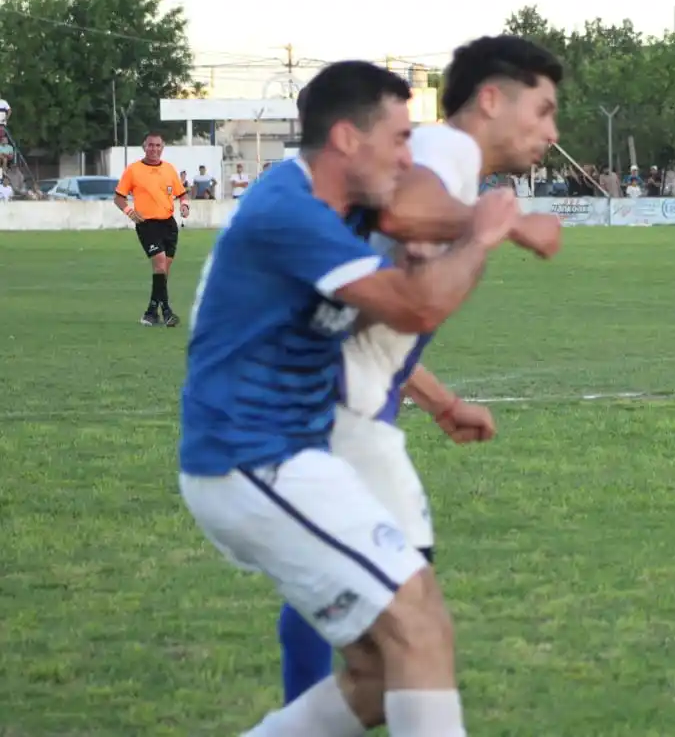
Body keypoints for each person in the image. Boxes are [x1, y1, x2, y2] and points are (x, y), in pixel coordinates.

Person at [178, 59, 523, 737]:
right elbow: (417, 308)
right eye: (398, 139)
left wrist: (440, 399)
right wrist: (484, 231)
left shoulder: (337, 208)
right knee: (418, 621)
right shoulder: (289, 212)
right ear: (345, 140)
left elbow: (366, 314)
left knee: (379, 677)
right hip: (249, 457)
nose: (409, 156)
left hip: (289, 455)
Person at [275, 35, 565, 728]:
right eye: (545, 110)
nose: (552, 132)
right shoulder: (446, 152)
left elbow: (381, 318)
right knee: (410, 631)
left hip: (351, 408)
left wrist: (442, 401)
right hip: (339, 416)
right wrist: (511, 225)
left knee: (373, 636)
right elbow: (403, 210)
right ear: (491, 99)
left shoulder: (446, 163)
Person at [113, 133, 190, 326]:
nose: (154, 149)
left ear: (162, 147)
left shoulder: (169, 169)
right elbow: (119, 197)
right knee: (160, 263)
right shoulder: (133, 170)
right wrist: (130, 212)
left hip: (169, 224)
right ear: (144, 147)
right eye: (150, 145)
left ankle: (150, 312)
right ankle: (167, 312)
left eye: (157, 146)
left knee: (164, 271)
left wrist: (185, 205)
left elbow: (182, 194)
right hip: (147, 225)